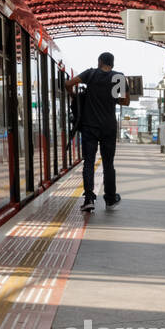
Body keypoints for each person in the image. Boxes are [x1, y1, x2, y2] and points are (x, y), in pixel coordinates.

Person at [66, 52, 129, 211]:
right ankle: (110, 199)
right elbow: (125, 101)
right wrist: (114, 98)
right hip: (109, 127)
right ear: (112, 64)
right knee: (108, 163)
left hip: (89, 126)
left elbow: (68, 84)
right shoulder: (118, 77)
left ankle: (89, 199)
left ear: (100, 62)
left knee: (89, 162)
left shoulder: (91, 73)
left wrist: (74, 96)